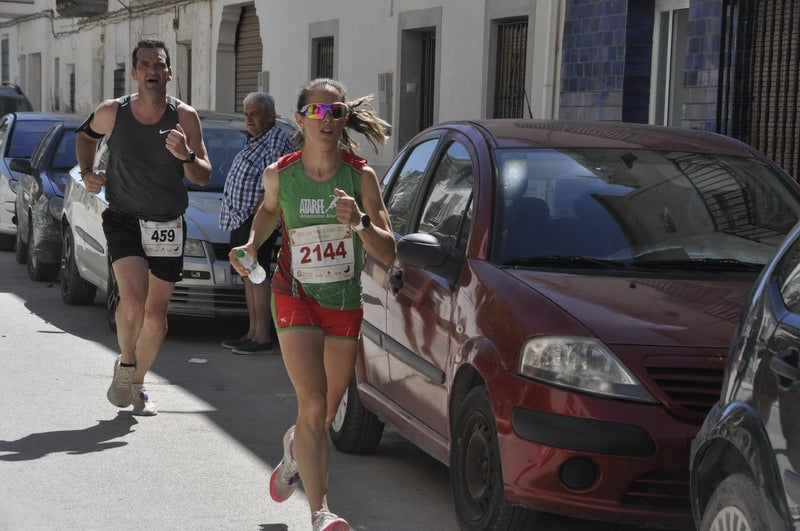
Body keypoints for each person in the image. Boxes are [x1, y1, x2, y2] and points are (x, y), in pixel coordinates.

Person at [230, 78, 396, 531]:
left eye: (336, 113)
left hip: (343, 302)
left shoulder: (361, 176)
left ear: (344, 120)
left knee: (320, 415)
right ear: (300, 119)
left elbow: (388, 251)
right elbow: (267, 212)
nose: (327, 121)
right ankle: (321, 512)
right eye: (317, 113)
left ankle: (292, 454)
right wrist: (248, 246)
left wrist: (359, 222)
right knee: (314, 399)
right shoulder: (280, 174)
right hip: (294, 295)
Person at [75, 39, 211, 416]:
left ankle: (135, 382)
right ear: (134, 73)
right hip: (123, 216)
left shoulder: (184, 117)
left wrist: (185, 155)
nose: (153, 70)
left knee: (156, 315)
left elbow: (203, 175)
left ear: (169, 72)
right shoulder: (112, 112)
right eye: (145, 64)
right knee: (132, 299)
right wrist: (87, 172)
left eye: (160, 64)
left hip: (168, 221)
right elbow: (84, 136)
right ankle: (127, 361)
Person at [219, 92, 295, 355]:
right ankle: (252, 332)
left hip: (256, 219)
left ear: (270, 115)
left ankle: (262, 337)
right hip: (242, 218)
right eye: (246, 114)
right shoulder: (257, 139)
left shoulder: (274, 139)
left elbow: (272, 182)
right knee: (248, 276)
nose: (248, 119)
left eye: (254, 114)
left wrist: (259, 219)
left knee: (256, 274)